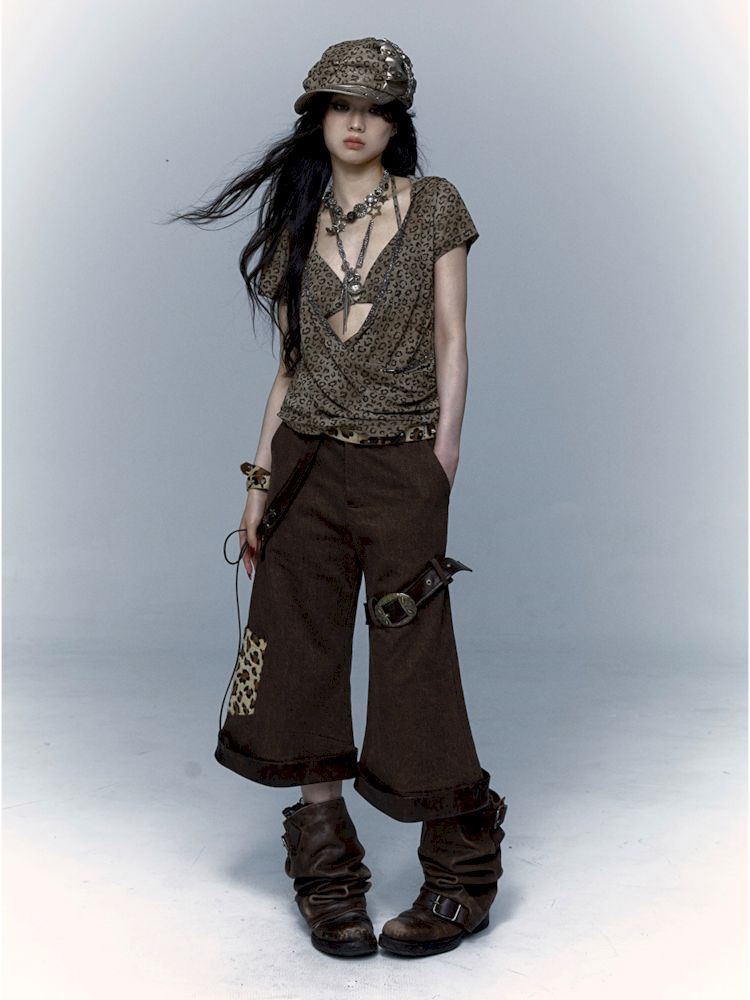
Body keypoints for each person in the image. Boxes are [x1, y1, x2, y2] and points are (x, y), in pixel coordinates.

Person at [171, 37, 507, 960]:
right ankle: (328, 873)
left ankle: (463, 869)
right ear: (318, 117)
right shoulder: (297, 224)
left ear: (396, 124)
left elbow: (453, 339)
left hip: (402, 464)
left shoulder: (435, 205)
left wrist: (441, 462)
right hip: (305, 466)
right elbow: (289, 368)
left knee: (415, 662)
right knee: (299, 654)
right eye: (340, 105)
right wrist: (258, 481)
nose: (356, 122)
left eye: (375, 108)